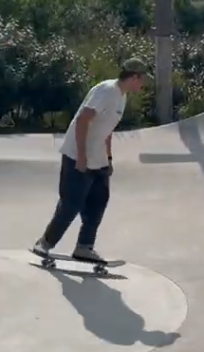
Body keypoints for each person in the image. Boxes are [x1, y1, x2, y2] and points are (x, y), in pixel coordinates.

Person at [31, 58, 150, 263]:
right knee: (71, 203)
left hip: (99, 158)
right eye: (142, 80)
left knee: (98, 202)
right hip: (78, 155)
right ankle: (44, 243)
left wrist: (109, 157)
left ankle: (84, 247)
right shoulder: (106, 91)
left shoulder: (122, 96)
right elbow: (82, 120)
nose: (143, 84)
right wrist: (82, 155)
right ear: (134, 77)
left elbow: (107, 129)